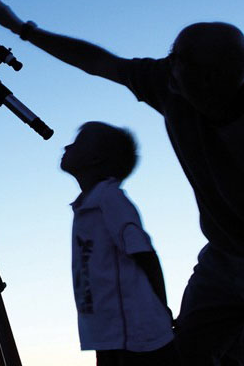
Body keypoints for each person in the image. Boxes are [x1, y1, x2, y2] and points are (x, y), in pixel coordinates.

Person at [0, 0, 244, 366]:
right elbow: (98, 62)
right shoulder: (172, 82)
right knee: (189, 356)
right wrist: (23, 30)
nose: (167, 63)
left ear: (209, 79)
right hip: (225, 259)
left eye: (178, 59)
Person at [61, 121, 178, 365]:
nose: (67, 146)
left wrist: (162, 308)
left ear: (94, 159)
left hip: (137, 335)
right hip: (109, 335)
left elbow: (145, 254)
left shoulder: (109, 198)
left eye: (78, 142)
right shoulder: (88, 204)